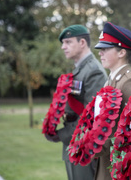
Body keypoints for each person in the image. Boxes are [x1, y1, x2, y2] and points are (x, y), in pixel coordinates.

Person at [45, 25, 107, 180]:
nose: (63, 47)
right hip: (74, 143)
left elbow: (91, 118)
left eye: (68, 42)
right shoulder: (81, 69)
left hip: (83, 147)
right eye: (63, 43)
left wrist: (61, 134)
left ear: (82, 43)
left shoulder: (94, 71)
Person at [93, 22, 131, 180]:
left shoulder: (129, 82)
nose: (100, 53)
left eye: (105, 49)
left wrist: (100, 145)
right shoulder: (110, 81)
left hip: (119, 167)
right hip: (106, 163)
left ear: (121, 52)